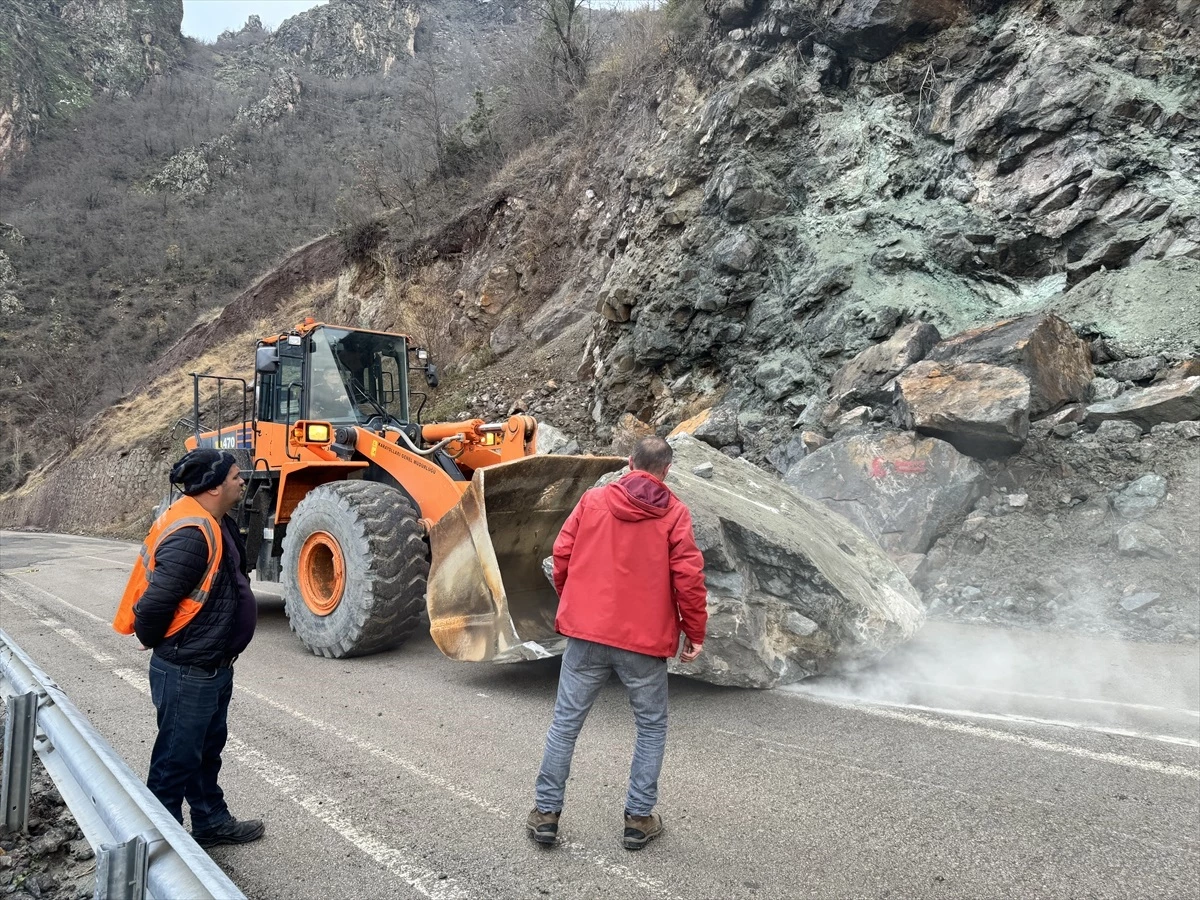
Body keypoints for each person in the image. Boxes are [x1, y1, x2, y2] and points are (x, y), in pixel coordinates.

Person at [528, 435, 707, 851]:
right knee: (650, 727)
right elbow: (689, 580)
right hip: (643, 643)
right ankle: (638, 820)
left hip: (586, 635)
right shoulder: (675, 514)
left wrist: (574, 600)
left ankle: (546, 815)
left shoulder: (593, 501)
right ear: (666, 470)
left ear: (629, 464)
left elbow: (561, 555)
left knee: (565, 724)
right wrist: (694, 632)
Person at [112, 448, 264, 848]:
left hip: (211, 665)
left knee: (203, 751)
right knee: (176, 759)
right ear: (213, 486)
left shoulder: (215, 521)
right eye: (234, 476)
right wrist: (160, 641)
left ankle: (210, 822)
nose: (241, 481)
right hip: (188, 669)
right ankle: (157, 844)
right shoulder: (192, 533)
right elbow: (154, 605)